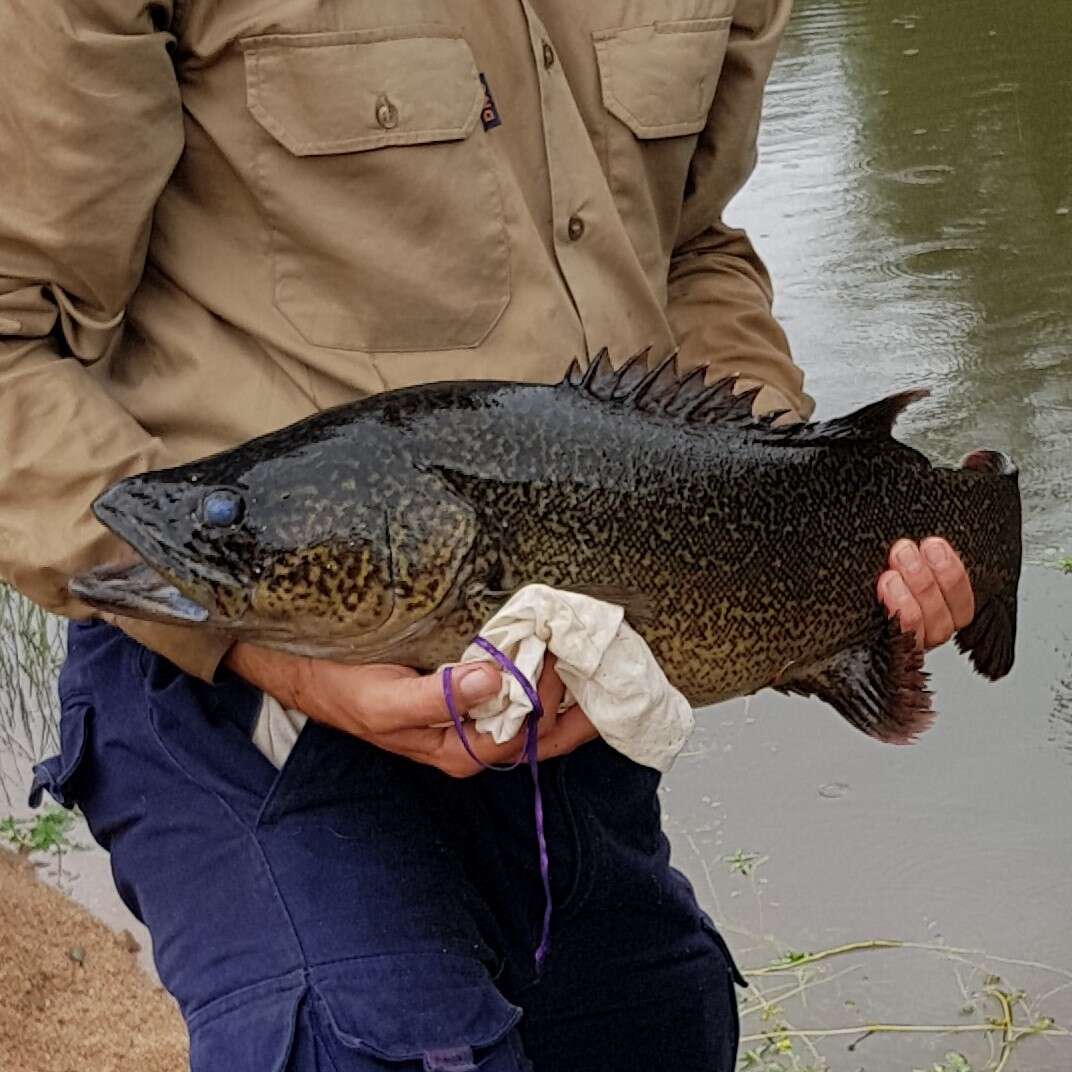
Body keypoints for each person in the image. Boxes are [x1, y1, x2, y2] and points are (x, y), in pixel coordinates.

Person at [0, 2, 974, 1069]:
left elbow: (687, 248)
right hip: (233, 669)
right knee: (374, 1045)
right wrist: (279, 654)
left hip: (569, 679)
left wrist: (796, 521)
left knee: (651, 1032)